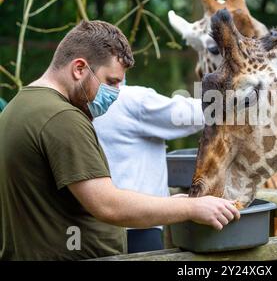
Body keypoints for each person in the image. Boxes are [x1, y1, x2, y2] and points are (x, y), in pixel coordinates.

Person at [0, 20, 240, 261]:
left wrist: (172, 203)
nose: (115, 94)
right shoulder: (62, 117)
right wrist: (191, 208)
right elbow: (107, 205)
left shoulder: (18, 106)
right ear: (79, 69)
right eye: (112, 81)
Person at [93, 84, 204, 252]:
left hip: (99, 229)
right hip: (140, 227)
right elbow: (193, 115)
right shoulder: (131, 99)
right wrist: (240, 93)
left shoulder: (80, 103)